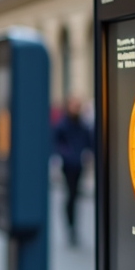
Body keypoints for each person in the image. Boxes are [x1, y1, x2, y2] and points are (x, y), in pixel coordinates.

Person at [53, 96, 93, 247]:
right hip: (68, 165)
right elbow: (57, 143)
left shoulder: (83, 124)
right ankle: (70, 227)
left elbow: (89, 142)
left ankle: (74, 227)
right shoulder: (63, 124)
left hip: (79, 164)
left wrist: (87, 154)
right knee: (71, 195)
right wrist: (66, 155)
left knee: (75, 195)